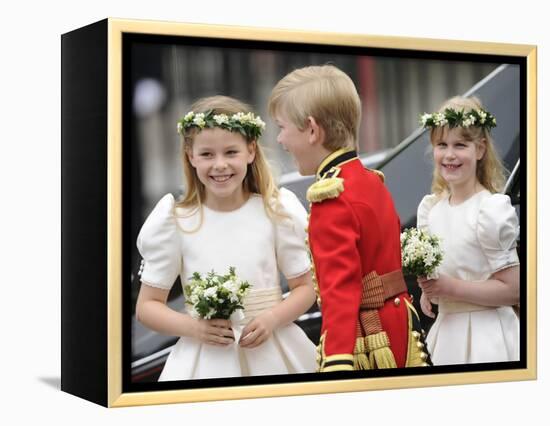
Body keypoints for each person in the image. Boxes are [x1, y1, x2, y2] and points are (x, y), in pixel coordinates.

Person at [135, 95, 317, 381]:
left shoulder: (276, 211)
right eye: (207, 154)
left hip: (274, 350)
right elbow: (147, 307)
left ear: (251, 151)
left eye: (231, 152)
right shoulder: (176, 221)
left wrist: (272, 319)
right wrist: (195, 327)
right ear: (190, 156)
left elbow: (305, 288)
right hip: (204, 360)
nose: (219, 165)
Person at [268, 64, 430, 372]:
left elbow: (340, 292)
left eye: (282, 127)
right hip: (398, 325)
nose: (280, 140)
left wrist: (337, 361)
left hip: (368, 340)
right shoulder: (369, 179)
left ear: (312, 130)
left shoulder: (332, 196)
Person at [417, 96, 520, 365]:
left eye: (460, 145)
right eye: (442, 145)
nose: (449, 154)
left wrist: (450, 288)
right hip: (446, 334)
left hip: (487, 336)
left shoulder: (490, 211)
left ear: (480, 149)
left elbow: (513, 290)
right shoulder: (432, 210)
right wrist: (429, 293)